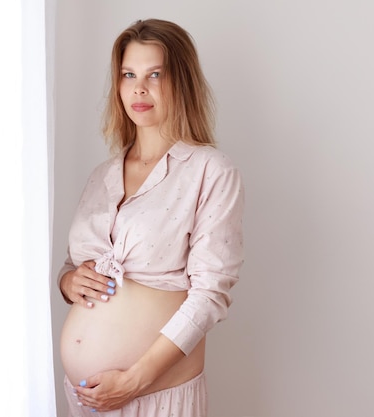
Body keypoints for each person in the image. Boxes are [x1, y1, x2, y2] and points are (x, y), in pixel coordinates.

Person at [57, 18, 244, 417]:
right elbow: (73, 267)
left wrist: (134, 380)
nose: (139, 88)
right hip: (88, 401)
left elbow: (209, 296)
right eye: (128, 74)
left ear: (182, 82)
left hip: (156, 395)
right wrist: (70, 281)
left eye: (155, 74)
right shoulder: (101, 176)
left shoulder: (210, 170)